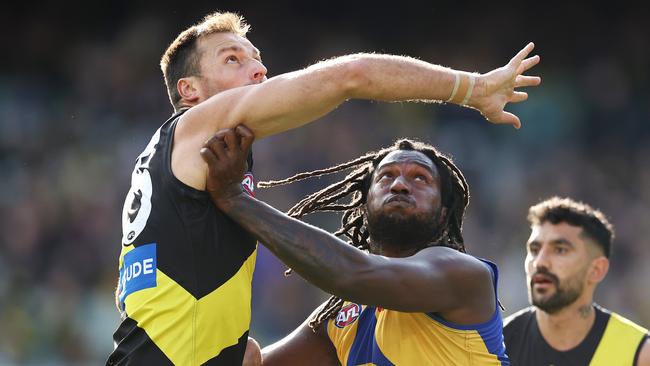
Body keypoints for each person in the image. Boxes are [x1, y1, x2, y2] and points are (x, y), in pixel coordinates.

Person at [108, 10, 540, 365]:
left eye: (257, 58)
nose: (259, 69)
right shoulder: (198, 133)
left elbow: (349, 281)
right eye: (232, 60)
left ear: (447, 211)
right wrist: (473, 88)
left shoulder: (460, 275)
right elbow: (350, 75)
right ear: (190, 92)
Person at [201, 127, 510, 365]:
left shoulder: (462, 274)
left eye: (420, 179)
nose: (400, 184)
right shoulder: (342, 316)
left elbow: (352, 275)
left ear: (444, 212)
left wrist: (235, 199)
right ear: (364, 204)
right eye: (386, 176)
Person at [503, 197, 650, 365]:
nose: (540, 262)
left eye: (560, 250)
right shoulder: (497, 347)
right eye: (534, 250)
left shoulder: (639, 355)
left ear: (596, 270)